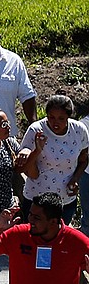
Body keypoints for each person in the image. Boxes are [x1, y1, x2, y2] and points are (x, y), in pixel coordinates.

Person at [0, 191, 89, 284]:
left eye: (37, 218)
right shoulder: (17, 235)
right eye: (30, 214)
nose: (31, 220)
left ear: (53, 221)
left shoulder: (76, 241)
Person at [16, 94, 88, 222]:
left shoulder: (79, 131)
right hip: (37, 201)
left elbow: (83, 160)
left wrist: (75, 179)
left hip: (65, 201)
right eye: (51, 117)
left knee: (60, 239)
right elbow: (21, 169)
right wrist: (37, 150)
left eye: (61, 118)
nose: (55, 122)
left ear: (68, 116)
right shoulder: (36, 130)